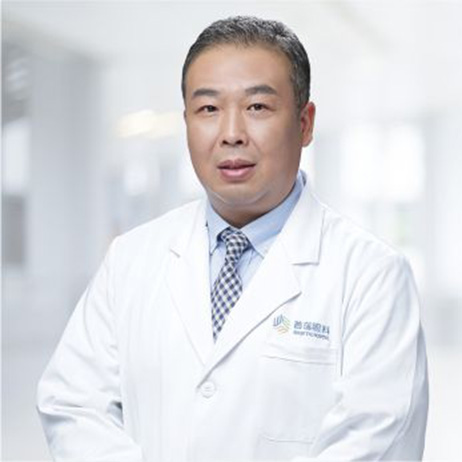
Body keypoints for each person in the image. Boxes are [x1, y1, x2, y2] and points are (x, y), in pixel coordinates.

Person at [37, 16, 429, 462]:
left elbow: (375, 438)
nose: (231, 134)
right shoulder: (131, 258)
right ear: (187, 121)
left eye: (257, 107)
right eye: (208, 109)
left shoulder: (371, 275)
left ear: (305, 123)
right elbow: (73, 404)